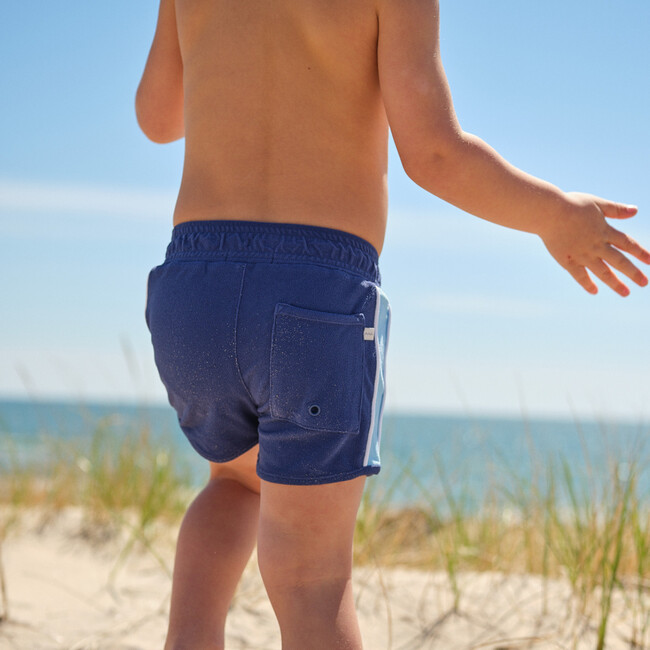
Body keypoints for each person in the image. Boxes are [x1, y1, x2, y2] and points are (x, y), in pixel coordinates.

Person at [135, 0, 650, 648]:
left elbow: (157, 119)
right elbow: (433, 154)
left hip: (193, 290)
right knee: (311, 580)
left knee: (235, 483)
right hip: (312, 294)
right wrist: (552, 214)